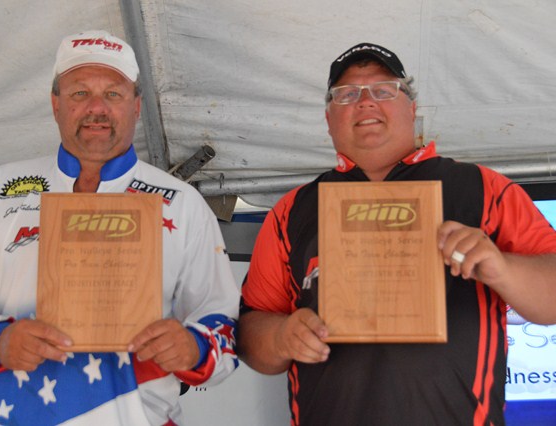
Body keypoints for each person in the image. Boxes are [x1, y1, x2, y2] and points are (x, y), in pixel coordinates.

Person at [0, 30, 239, 425]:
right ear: (55, 104)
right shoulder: (0, 188)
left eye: (113, 94)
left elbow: (223, 325)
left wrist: (193, 347)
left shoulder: (181, 202)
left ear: (136, 106)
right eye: (80, 93)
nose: (97, 108)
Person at [237, 42, 556, 425]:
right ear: (328, 118)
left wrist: (501, 267)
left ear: (412, 108)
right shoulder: (292, 210)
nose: (365, 102)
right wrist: (281, 336)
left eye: (384, 90)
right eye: (347, 94)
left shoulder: (484, 188)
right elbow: (251, 334)